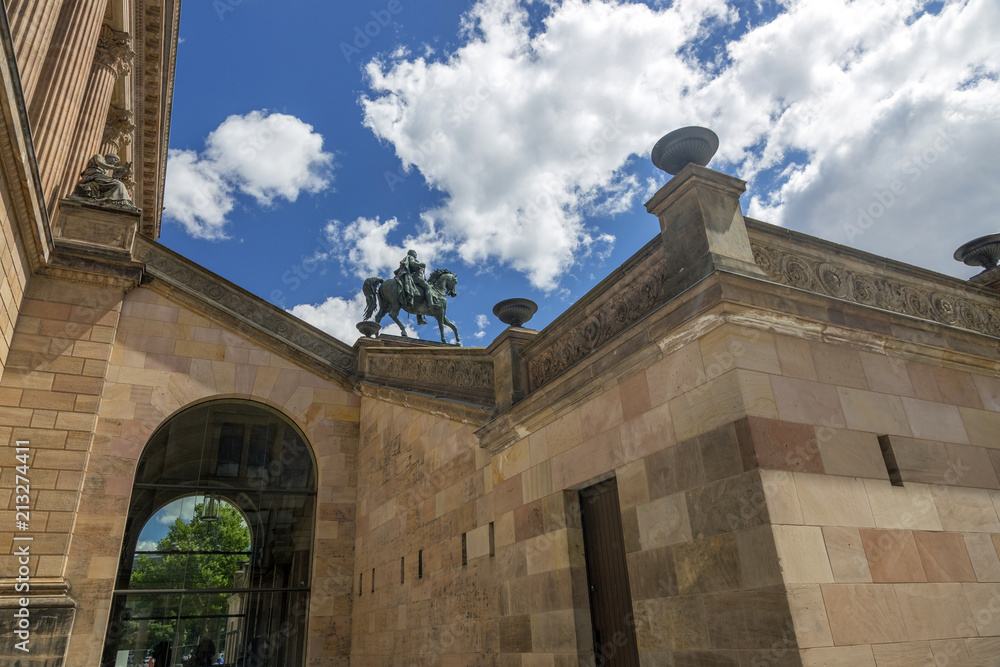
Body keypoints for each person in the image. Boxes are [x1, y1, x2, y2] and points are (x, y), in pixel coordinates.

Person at [71, 153, 135, 207]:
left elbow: (110, 177)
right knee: (118, 184)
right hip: (92, 175)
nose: (114, 162)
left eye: (116, 162)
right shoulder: (98, 156)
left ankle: (118, 201)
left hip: (98, 177)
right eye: (115, 160)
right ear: (110, 157)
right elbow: (100, 164)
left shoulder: (106, 170)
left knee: (119, 184)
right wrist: (116, 168)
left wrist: (121, 173)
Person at [394, 249, 431, 324]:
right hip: (417, 278)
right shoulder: (411, 257)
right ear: (412, 253)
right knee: (428, 287)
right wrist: (421, 264)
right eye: (415, 253)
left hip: (414, 278)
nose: (416, 255)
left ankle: (419, 318)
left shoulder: (408, 258)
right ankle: (430, 304)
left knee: (421, 296)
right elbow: (412, 264)